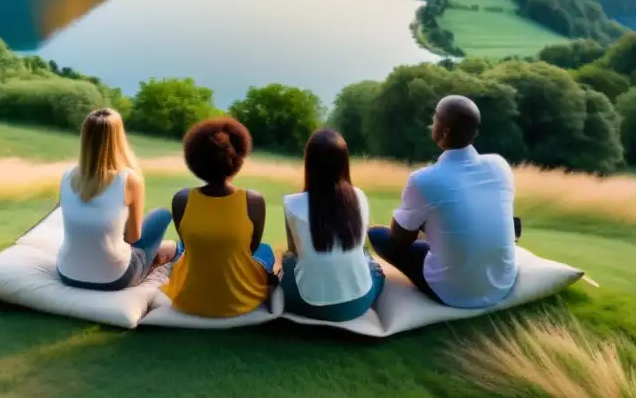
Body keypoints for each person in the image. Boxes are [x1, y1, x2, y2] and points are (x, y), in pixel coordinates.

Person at [368, 95, 517, 308]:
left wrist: (418, 223)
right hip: (502, 282)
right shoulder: (500, 165)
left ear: (445, 131)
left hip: (454, 291)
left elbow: (399, 240)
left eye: (435, 118)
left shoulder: (424, 179)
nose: (432, 123)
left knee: (377, 235)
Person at [162, 117, 276, 317]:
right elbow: (252, 248)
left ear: (194, 160)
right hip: (240, 301)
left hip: (190, 300)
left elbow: (188, 245)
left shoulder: (182, 199)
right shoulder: (253, 200)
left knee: (184, 248)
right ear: (237, 158)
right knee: (266, 251)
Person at [56, 108, 176, 291]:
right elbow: (133, 238)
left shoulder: (66, 176)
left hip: (67, 274)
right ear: (118, 139)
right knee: (161, 215)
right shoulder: (129, 180)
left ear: (85, 138)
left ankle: (161, 254)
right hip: (114, 278)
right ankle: (174, 253)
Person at [280, 129, 385, 322]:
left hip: (310, 304)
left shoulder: (291, 203)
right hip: (359, 302)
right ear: (344, 163)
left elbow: (293, 252)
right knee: (372, 264)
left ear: (309, 163)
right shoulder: (359, 196)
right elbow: (359, 246)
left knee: (286, 263)